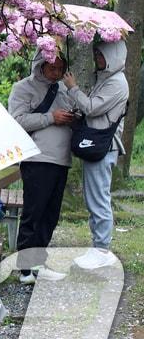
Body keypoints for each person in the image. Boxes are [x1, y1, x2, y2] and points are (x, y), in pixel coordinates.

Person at [62, 38, 129, 270]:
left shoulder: (117, 83)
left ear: (114, 56)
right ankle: (98, 247)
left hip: (104, 147)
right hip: (98, 145)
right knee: (94, 199)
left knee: (99, 199)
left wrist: (73, 88)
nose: (98, 58)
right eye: (97, 54)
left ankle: (102, 250)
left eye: (102, 55)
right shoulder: (106, 79)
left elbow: (92, 108)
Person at [7, 49, 73, 283]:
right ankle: (25, 269)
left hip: (61, 159)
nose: (56, 73)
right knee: (34, 214)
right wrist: (51, 117)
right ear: (40, 64)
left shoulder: (63, 88)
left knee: (50, 215)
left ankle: (39, 263)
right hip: (37, 159)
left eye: (60, 69)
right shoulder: (23, 88)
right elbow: (16, 120)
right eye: (52, 68)